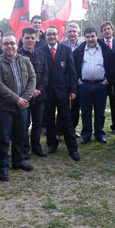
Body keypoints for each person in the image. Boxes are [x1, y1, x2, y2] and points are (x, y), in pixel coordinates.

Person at [0, 33, 36, 181]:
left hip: (22, 107)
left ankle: (18, 161)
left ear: (17, 44)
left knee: (20, 136)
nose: (9, 46)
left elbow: (32, 79)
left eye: (12, 43)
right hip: (4, 108)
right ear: (2, 46)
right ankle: (3, 167)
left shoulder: (25, 60)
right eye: (6, 44)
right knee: (3, 139)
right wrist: (16, 99)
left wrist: (25, 98)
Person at [40, 26, 80, 161]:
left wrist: (73, 90)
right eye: (49, 34)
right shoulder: (41, 51)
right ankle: (52, 144)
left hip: (63, 91)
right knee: (49, 119)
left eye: (54, 34)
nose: (51, 37)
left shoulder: (66, 49)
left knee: (67, 120)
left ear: (58, 36)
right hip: (47, 92)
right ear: (46, 36)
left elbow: (71, 71)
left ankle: (72, 148)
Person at [73, 27, 113, 144]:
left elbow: (112, 65)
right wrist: (78, 80)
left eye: (92, 36)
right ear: (84, 37)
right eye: (88, 37)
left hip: (101, 85)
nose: (90, 39)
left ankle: (99, 134)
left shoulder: (105, 49)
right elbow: (73, 68)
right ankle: (86, 134)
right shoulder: (79, 51)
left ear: (97, 36)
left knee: (100, 112)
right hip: (84, 85)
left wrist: (107, 80)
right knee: (85, 112)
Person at [18, 27, 49, 158]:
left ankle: (36, 147)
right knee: (24, 124)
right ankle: (25, 149)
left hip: (39, 96)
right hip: (24, 97)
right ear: (22, 39)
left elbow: (46, 73)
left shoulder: (41, 54)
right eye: (27, 38)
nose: (30, 40)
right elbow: (17, 78)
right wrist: (30, 91)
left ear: (36, 39)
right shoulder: (17, 54)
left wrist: (40, 89)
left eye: (32, 38)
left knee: (38, 123)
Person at [60, 22, 82, 136]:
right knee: (62, 107)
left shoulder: (83, 46)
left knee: (75, 107)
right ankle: (60, 130)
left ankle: (72, 129)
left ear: (78, 32)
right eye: (69, 31)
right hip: (63, 82)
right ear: (66, 33)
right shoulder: (61, 45)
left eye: (74, 31)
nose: (72, 34)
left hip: (78, 81)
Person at [100, 21, 115, 135]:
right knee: (100, 105)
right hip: (101, 80)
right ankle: (99, 128)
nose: (107, 31)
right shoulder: (98, 44)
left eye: (109, 29)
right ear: (101, 33)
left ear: (112, 30)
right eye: (104, 29)